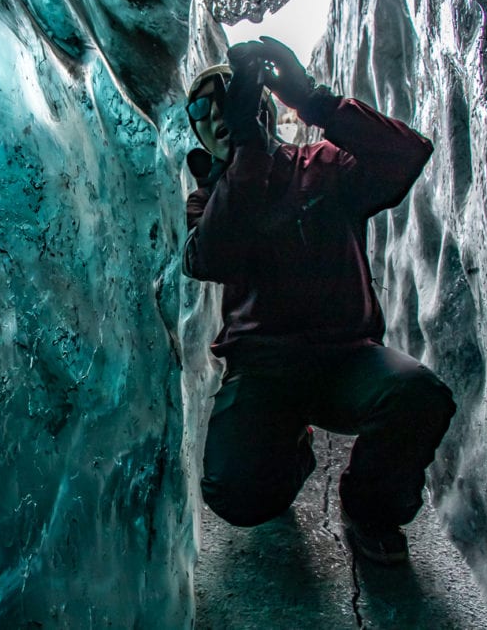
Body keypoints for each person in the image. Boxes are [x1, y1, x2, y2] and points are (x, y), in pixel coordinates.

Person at [182, 36, 456, 565]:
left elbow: (406, 154)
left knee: (418, 394)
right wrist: (248, 151)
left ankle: (367, 508)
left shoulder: (324, 165)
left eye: (231, 100)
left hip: (347, 359)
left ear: (261, 109)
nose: (215, 113)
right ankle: (293, 451)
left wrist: (313, 100)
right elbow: (211, 258)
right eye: (202, 106)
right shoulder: (207, 202)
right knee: (234, 495)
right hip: (264, 371)